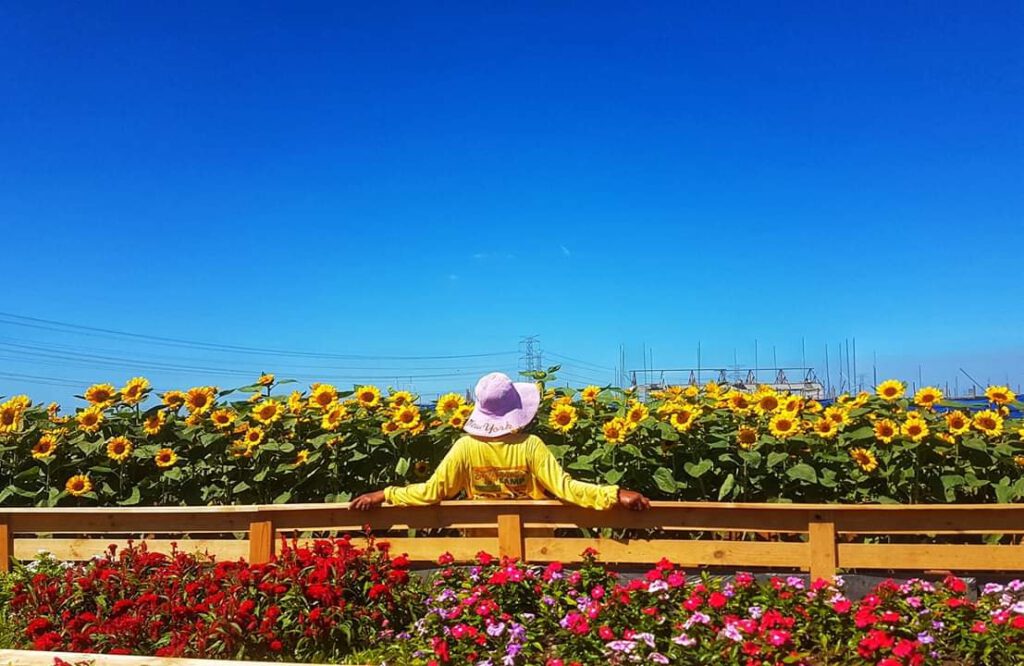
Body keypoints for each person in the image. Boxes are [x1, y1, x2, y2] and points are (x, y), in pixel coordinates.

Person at [351, 372, 651, 511]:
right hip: (535, 549)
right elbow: (566, 489)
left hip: (480, 551)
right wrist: (615, 494)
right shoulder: (530, 445)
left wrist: (384, 493)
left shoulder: (465, 447)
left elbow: (432, 492)